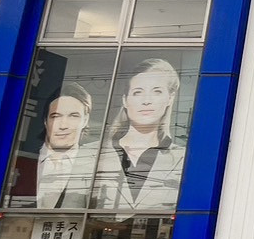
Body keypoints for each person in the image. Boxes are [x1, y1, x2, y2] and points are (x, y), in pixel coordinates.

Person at [92, 58, 187, 212]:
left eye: (156, 92)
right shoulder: (92, 153)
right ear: (125, 100)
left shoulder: (183, 159)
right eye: (138, 92)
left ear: (170, 98)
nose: (146, 101)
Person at [36, 84, 100, 209]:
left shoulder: (95, 166)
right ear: (45, 121)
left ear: (85, 120)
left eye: (73, 116)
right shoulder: (23, 161)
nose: (63, 125)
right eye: (56, 116)